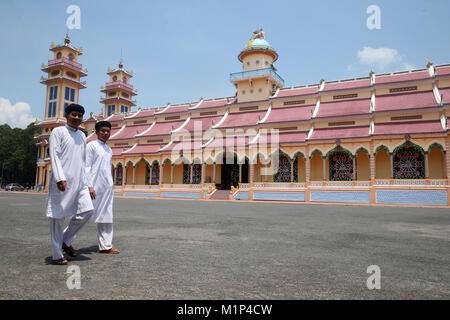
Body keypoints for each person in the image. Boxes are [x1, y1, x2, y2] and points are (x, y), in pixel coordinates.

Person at [46, 103, 93, 265]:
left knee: (87, 210)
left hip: (79, 182)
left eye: (80, 115)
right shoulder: (58, 132)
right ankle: (57, 254)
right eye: (73, 114)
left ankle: (65, 240)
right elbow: (55, 155)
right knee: (58, 218)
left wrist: (88, 184)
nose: (77, 118)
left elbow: (84, 162)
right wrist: (59, 178)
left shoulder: (82, 135)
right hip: (62, 182)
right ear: (66, 115)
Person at [85, 121, 119, 254]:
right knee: (83, 215)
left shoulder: (108, 149)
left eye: (108, 131)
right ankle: (65, 240)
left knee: (106, 216)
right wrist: (89, 186)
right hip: (93, 187)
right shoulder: (91, 146)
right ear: (96, 132)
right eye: (103, 131)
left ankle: (105, 246)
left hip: (106, 188)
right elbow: (86, 166)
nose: (105, 133)